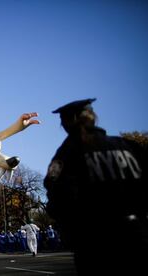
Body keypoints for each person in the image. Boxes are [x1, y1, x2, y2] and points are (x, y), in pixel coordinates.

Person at [44, 98, 147, 274]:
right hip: (138, 235)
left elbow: (58, 196)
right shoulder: (127, 146)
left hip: (95, 240)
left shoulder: (68, 153)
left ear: (69, 122)